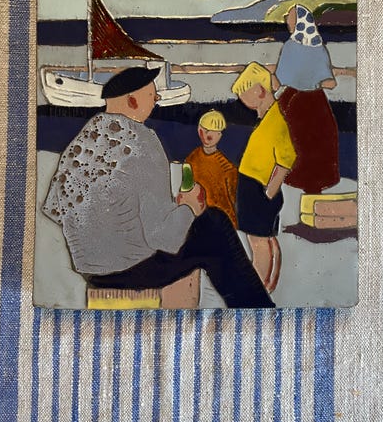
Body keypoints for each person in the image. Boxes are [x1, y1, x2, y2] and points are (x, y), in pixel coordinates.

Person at [42, 66, 274, 309]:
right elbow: (164, 238)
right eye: (152, 96)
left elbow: (54, 209)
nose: (157, 100)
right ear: (132, 101)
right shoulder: (142, 141)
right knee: (214, 224)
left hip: (90, 271)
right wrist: (190, 207)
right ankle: (256, 311)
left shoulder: (81, 141)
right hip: (133, 270)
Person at [231, 62, 296, 292]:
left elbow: (286, 159)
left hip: (258, 190)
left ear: (259, 91)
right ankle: (267, 282)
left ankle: (257, 284)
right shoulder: (269, 118)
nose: (241, 99)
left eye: (243, 94)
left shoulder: (276, 121)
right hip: (255, 187)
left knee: (258, 241)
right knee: (265, 239)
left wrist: (269, 192)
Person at [273, 4, 340, 193]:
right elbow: (329, 81)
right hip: (316, 102)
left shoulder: (290, 47)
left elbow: (280, 80)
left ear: (298, 22)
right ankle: (314, 187)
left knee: (298, 143)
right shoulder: (319, 48)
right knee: (316, 143)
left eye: (290, 18)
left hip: (295, 101)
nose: (287, 20)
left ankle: (295, 184)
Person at [185, 109, 238, 228]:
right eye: (204, 130)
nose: (207, 135)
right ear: (199, 130)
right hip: (198, 218)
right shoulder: (191, 159)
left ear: (219, 135)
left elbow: (235, 199)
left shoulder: (227, 167)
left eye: (213, 131)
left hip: (224, 221)